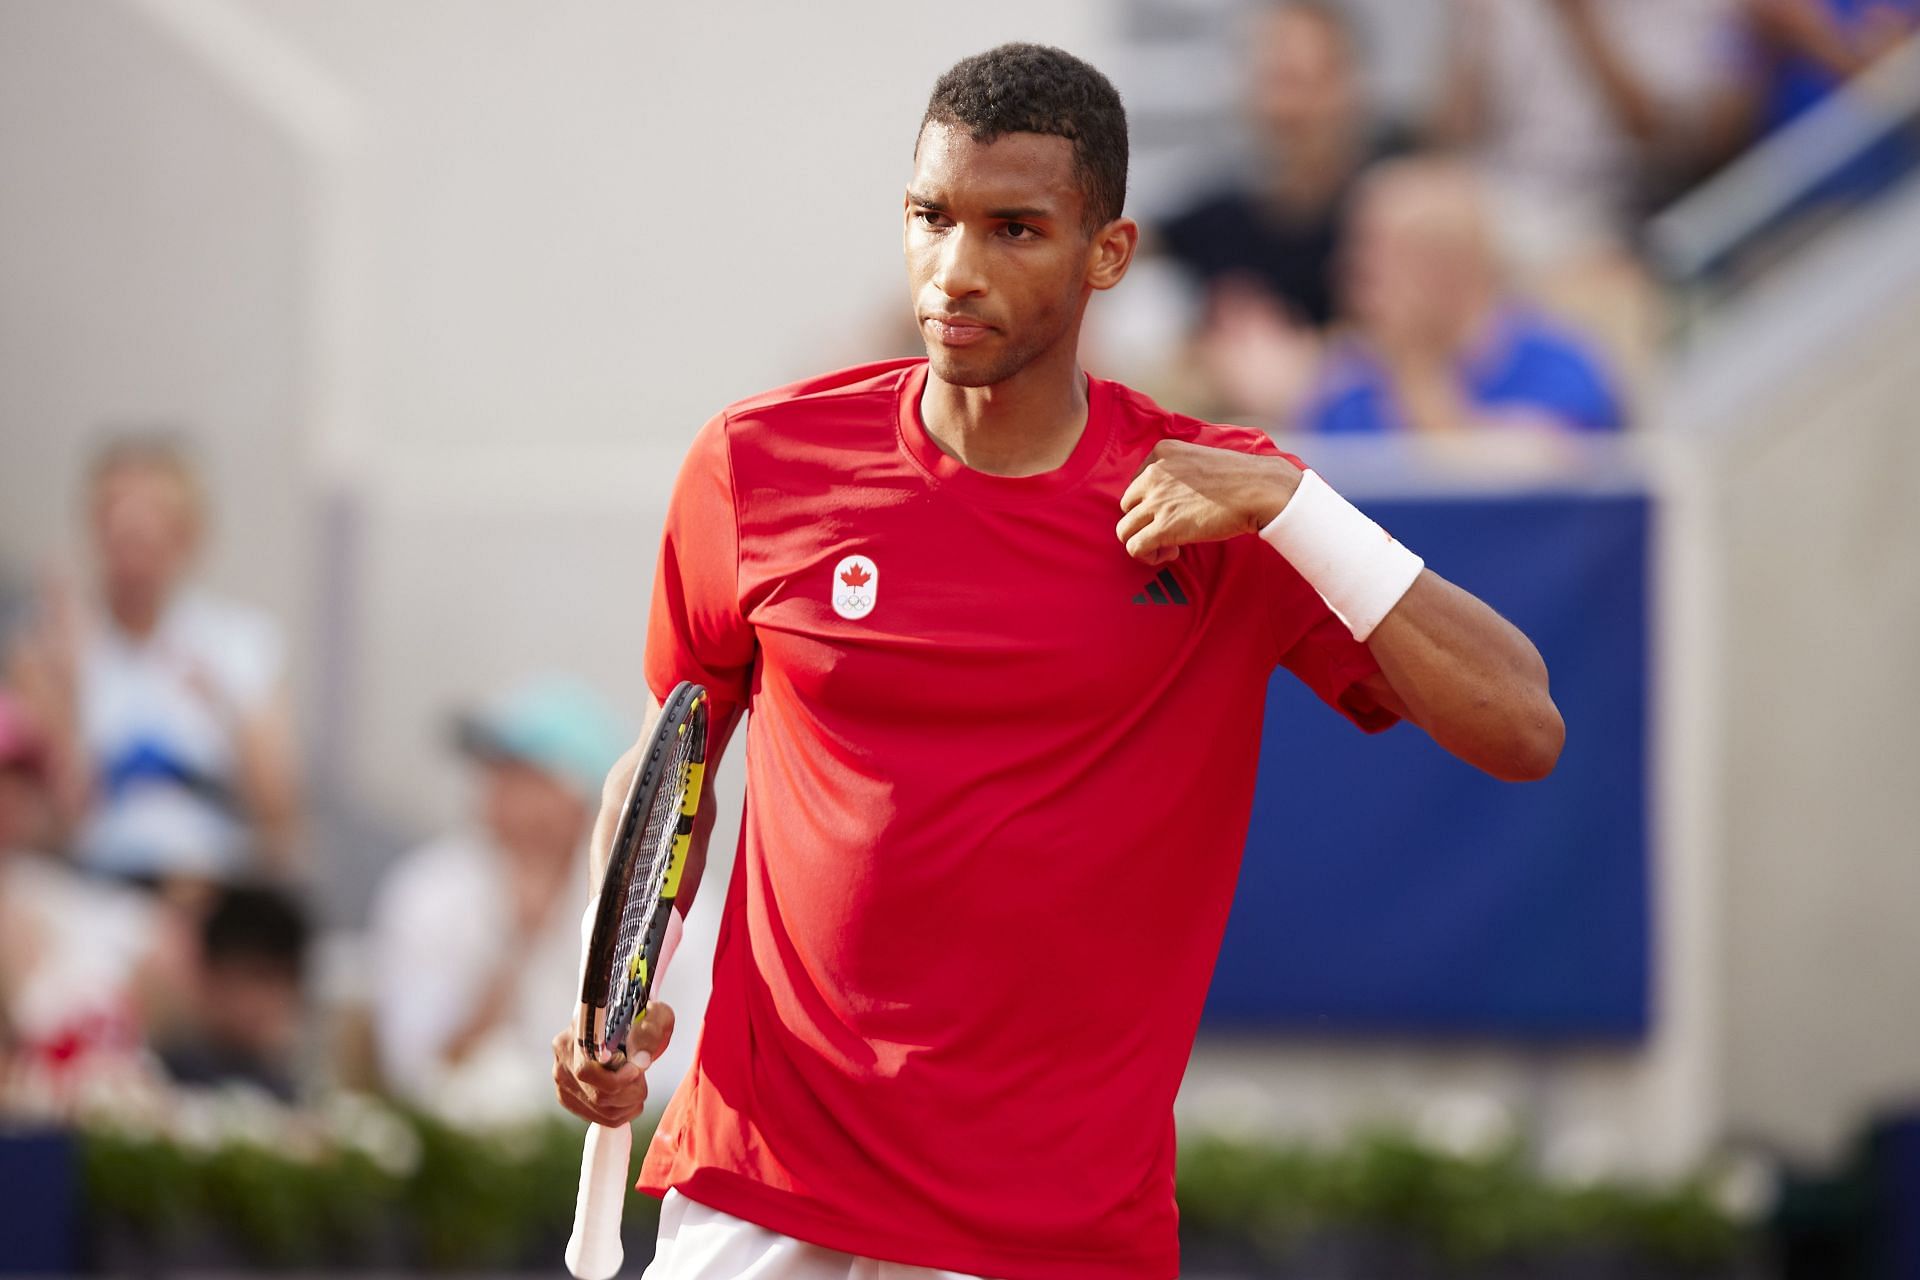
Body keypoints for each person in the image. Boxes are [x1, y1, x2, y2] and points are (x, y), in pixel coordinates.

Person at [552, 44, 1564, 1280]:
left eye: (1015, 229)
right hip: (763, 1190)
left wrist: (1298, 504)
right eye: (933, 218)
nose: (958, 270)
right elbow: (667, 774)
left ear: (1110, 255)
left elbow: (1522, 724)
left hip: (1055, 1236)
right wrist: (613, 989)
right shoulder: (755, 466)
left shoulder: (1218, 507)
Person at [6, 435, 301, 885]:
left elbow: (282, 819)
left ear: (188, 535)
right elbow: (49, 822)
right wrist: (67, 691)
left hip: (216, 878)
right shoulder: (48, 647)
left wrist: (227, 708)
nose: (134, 539)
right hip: (93, 877)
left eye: (153, 522)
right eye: (118, 521)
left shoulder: (240, 644)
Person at [372, 676, 627, 1124]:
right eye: (494, 772)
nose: (493, 790)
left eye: (522, 775)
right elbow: (414, 1071)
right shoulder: (426, 891)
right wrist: (516, 945)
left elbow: (668, 1083)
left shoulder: (656, 909)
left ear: (577, 800)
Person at [1298, 158, 1626, 438]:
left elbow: (1507, 490)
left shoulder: (1559, 368)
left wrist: (1416, 365)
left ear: (1449, 267)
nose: (1351, 273)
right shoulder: (1347, 383)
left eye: (1377, 254)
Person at [155, 882, 311, 1101]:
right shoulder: (158, 1087)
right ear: (210, 974)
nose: (271, 1000)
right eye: (257, 976)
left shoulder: (290, 1096)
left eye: (286, 981)